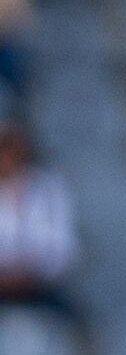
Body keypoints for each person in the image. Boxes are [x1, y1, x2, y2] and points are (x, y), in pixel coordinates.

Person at [0, 118, 75, 313]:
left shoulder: (49, 187)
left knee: (73, 323)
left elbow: (63, 247)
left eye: (8, 149)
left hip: (41, 287)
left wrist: (32, 273)